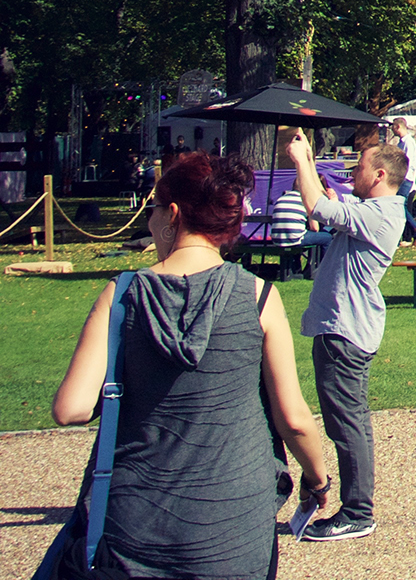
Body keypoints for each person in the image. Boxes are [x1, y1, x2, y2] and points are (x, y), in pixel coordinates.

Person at [51, 151, 334, 579]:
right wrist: (317, 479)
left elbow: (70, 408)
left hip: (134, 519)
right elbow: (293, 419)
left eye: (153, 209)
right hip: (233, 524)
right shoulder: (258, 296)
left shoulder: (123, 294)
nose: (150, 220)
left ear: (173, 214)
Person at [277, 128, 406, 542]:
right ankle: (357, 509)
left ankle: (357, 513)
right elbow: (323, 204)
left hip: (345, 331)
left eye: (359, 167)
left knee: (346, 425)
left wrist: (303, 159)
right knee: (352, 422)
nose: (352, 173)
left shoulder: (380, 214)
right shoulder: (375, 209)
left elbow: (317, 205)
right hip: (347, 327)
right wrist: (309, 167)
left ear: (380, 174)